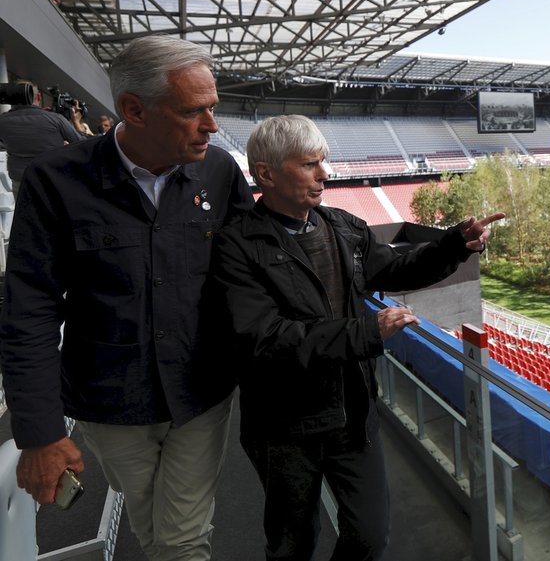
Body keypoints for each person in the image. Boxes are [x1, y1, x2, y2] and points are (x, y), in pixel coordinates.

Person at [0, 35, 254, 561]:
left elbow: (255, 271)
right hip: (109, 402)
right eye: (193, 112)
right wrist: (40, 432)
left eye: (213, 108)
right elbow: (28, 312)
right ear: (133, 110)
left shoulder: (221, 171)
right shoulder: (55, 182)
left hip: (200, 391)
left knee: (182, 538)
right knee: (154, 529)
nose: (212, 125)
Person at [205, 115, 503, 561]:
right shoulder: (236, 245)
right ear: (265, 173)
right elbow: (264, 339)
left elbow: (397, 268)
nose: (325, 174)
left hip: (352, 413)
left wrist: (454, 245)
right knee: (292, 543)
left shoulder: (344, 227)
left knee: (370, 536)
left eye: (323, 162)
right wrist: (366, 332)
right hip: (284, 428)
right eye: (309, 164)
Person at [0, 80, 87, 198]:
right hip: (53, 177)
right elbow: (81, 143)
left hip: (21, 180)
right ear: (38, 96)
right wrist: (76, 122)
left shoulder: (3, 121)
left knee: (26, 215)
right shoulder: (56, 119)